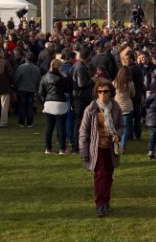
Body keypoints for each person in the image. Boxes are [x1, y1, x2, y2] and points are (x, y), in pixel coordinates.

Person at [79, 79, 124, 217]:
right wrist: (84, 152)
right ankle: (100, 203)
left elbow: (121, 126)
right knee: (100, 175)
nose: (102, 94)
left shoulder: (115, 108)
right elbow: (83, 132)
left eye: (105, 91)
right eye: (100, 91)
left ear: (111, 93)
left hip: (110, 148)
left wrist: (118, 135)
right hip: (96, 148)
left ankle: (106, 201)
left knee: (109, 175)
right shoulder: (91, 109)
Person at [39, 59, 71, 154]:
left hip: (49, 102)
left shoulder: (44, 77)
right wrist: (66, 78)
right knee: (61, 126)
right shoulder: (61, 78)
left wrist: (45, 100)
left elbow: (41, 91)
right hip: (60, 102)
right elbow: (68, 89)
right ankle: (62, 148)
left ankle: (48, 148)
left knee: (49, 126)